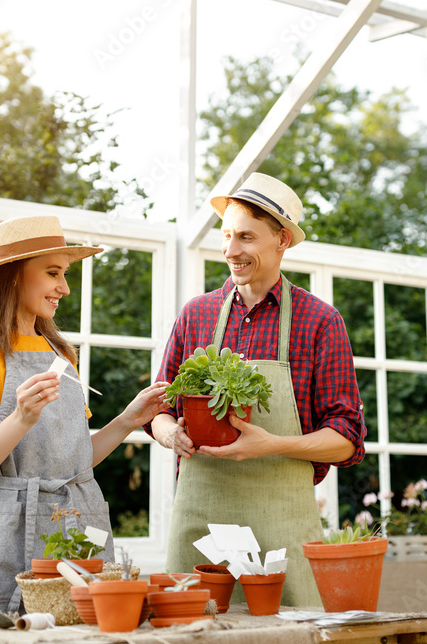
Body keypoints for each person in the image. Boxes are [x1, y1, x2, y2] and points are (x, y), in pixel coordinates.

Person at [0, 215, 168, 616]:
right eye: (53, 273)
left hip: (75, 529)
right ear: (13, 276)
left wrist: (127, 420)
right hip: (4, 538)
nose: (65, 288)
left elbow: (70, 462)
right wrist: (19, 419)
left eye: (65, 273)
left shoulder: (60, 355)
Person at [148, 173, 366, 606]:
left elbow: (346, 441)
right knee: (193, 627)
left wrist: (271, 444)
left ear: (281, 239)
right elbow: (159, 408)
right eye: (226, 236)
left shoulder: (320, 320)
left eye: (246, 237)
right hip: (201, 522)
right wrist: (169, 432)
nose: (231, 251)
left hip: (282, 525)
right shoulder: (196, 315)